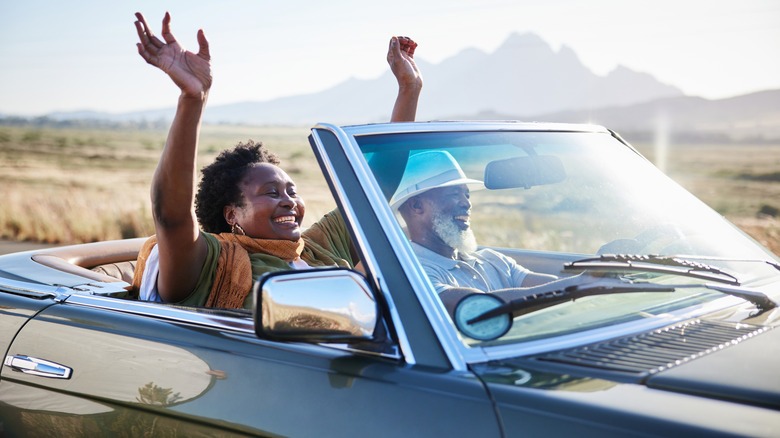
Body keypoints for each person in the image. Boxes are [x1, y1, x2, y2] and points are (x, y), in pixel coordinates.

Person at [129, 12, 422, 308]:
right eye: (271, 192)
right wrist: (193, 98)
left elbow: (378, 184)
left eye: (292, 191)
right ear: (232, 215)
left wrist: (409, 89)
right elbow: (171, 216)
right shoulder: (215, 263)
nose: (289, 201)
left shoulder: (316, 246)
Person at [391, 151, 562, 316]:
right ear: (416, 206)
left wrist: (579, 285)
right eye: (454, 194)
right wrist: (576, 284)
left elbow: (548, 285)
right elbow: (480, 306)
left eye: (467, 195)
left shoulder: (493, 260)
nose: (466, 203)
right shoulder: (412, 273)